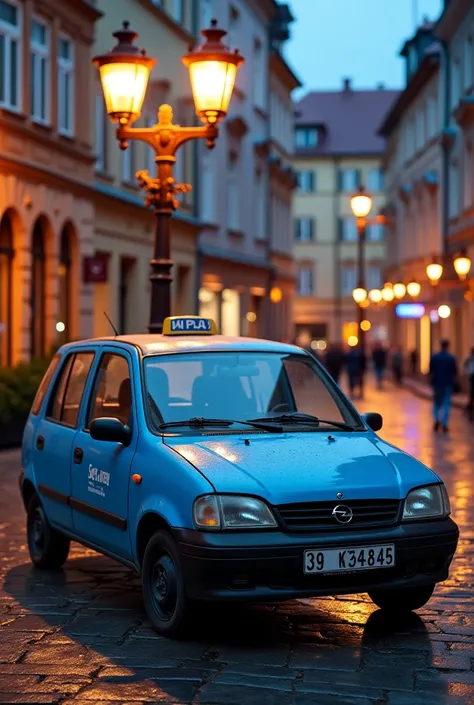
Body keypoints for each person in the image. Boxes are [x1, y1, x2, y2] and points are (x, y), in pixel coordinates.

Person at [429, 340, 458, 433]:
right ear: (447, 346)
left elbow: (430, 369)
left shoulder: (434, 357)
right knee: (446, 404)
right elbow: (455, 371)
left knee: (437, 403)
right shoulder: (451, 358)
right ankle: (445, 423)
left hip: (437, 383)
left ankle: (437, 419)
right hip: (447, 383)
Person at [464, 347, 474, 422]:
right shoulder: (469, 358)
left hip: (471, 378)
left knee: (471, 397)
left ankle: (468, 411)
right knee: (471, 397)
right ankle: (469, 412)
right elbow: (465, 366)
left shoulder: (468, 358)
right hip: (471, 378)